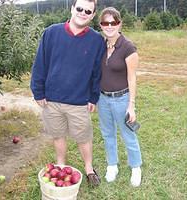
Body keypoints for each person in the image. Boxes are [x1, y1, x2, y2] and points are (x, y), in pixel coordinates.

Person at [30, 0, 105, 187]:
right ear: (72, 9)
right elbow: (40, 64)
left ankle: (89, 169)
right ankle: (60, 164)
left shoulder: (96, 40)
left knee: (84, 136)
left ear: (93, 15)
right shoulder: (51, 33)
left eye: (88, 11)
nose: (82, 13)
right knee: (58, 134)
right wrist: (38, 92)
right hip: (52, 99)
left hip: (79, 101)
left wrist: (93, 97)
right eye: (79, 8)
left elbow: (97, 72)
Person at [97, 7, 142, 187]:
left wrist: (131, 105)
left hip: (122, 98)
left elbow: (132, 77)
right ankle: (112, 165)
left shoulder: (128, 47)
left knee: (128, 134)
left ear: (119, 23)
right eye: (105, 23)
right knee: (107, 134)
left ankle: (136, 167)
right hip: (103, 99)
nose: (109, 26)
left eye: (113, 22)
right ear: (101, 25)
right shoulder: (101, 44)